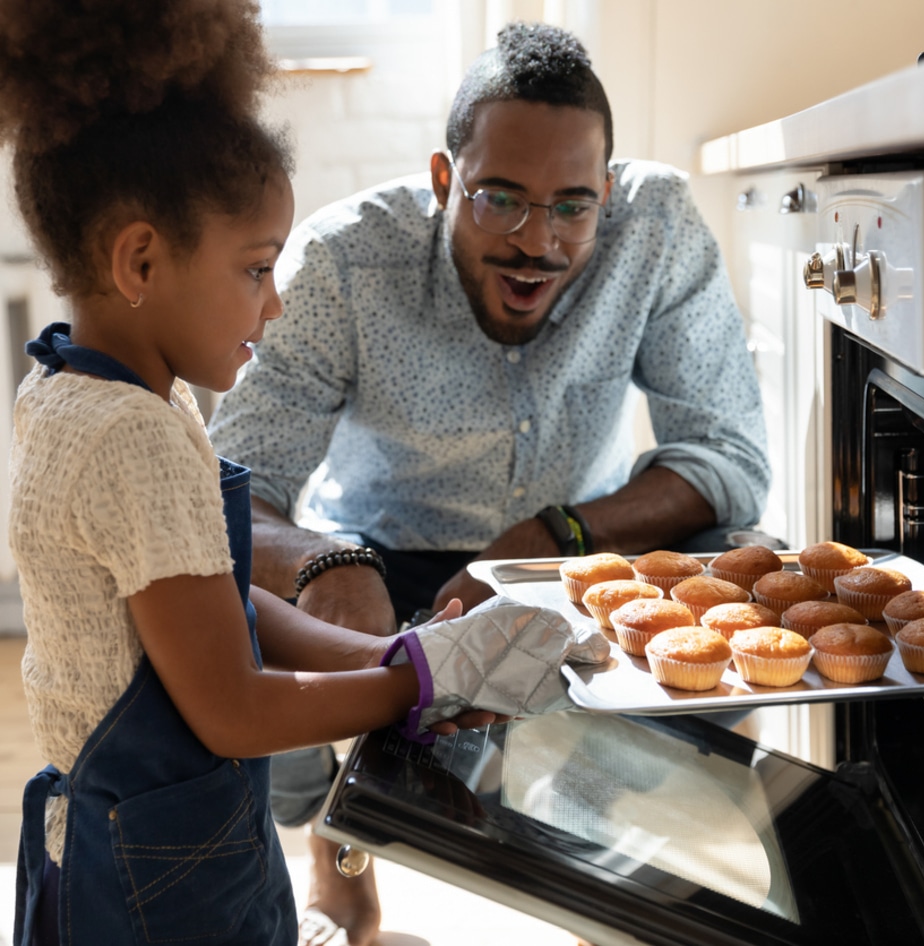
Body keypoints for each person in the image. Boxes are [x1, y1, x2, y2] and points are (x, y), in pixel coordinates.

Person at [1, 5, 606, 945]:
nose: (277, 303)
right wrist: (423, 682)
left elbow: (211, 597)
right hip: (156, 879)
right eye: (256, 269)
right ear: (141, 259)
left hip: (157, 832)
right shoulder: (133, 437)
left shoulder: (87, 390)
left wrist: (384, 659)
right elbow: (234, 708)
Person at [208, 19, 771, 946]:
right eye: (500, 199)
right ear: (444, 181)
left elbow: (728, 456)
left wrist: (551, 537)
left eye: (572, 206)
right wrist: (324, 563)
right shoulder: (342, 261)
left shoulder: (657, 227)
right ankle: (339, 849)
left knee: (745, 566)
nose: (536, 242)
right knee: (222, 608)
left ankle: (611, 850)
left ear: (608, 192)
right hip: (380, 562)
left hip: (575, 558)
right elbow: (232, 487)